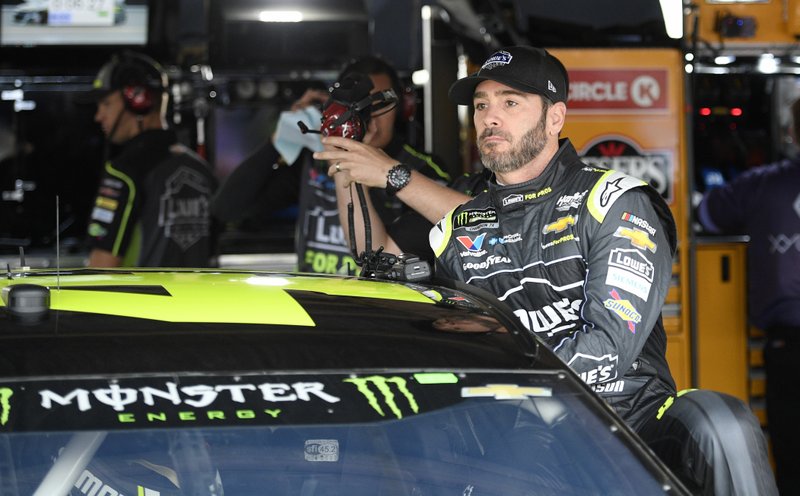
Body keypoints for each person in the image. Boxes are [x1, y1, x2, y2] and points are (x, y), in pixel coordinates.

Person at [422, 46, 776, 495]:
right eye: (481, 106)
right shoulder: (455, 230)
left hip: (628, 417)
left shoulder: (613, 200)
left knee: (722, 420)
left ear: (555, 118)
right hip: (512, 426)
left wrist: (523, 386)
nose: (490, 118)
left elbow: (610, 342)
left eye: (510, 103)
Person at [211, 55, 452, 274]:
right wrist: (277, 143)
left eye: (381, 105)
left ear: (401, 107)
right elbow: (227, 209)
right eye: (359, 105)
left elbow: (440, 247)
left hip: (383, 308)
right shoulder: (315, 160)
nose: (370, 116)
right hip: (319, 307)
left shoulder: (422, 168)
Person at [697, 98, 800, 494]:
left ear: (792, 132)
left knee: (791, 456)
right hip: (786, 347)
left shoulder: (762, 185)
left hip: (788, 349)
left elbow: (707, 213)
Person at [83, 51, 217, 267]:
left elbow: (103, 265)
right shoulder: (202, 170)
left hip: (140, 300)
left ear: (138, 99)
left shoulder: (124, 172)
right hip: (197, 299)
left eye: (106, 104)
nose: (98, 116)